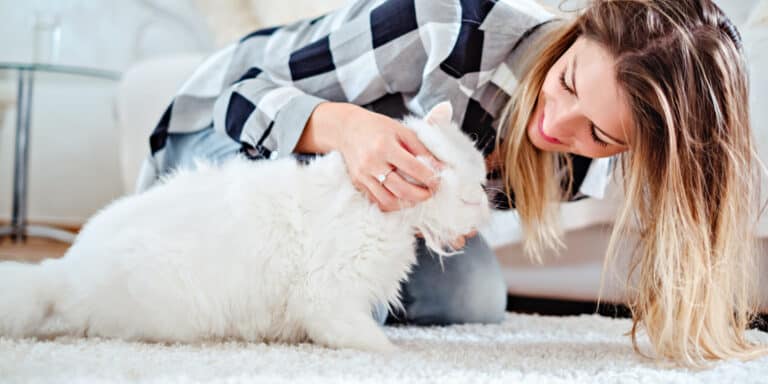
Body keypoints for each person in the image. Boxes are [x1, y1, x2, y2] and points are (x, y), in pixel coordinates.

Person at [137, 0, 766, 365]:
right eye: (568, 82)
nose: (556, 126)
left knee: (471, 293)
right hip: (223, 135)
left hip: (347, 205)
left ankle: (294, 287)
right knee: (346, 294)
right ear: (579, 28)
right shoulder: (444, 24)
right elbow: (240, 96)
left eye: (601, 134)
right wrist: (349, 130)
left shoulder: (581, 167)